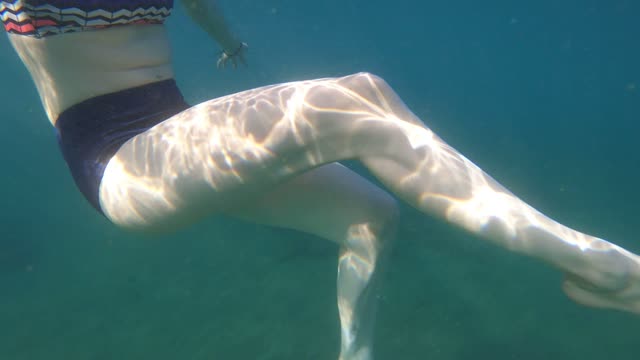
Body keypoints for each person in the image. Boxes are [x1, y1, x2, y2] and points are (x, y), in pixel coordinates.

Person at [2, 0, 639, 359]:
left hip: (173, 139)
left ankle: (354, 355)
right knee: (345, 105)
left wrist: (226, 39)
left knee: (370, 207)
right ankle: (607, 267)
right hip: (118, 164)